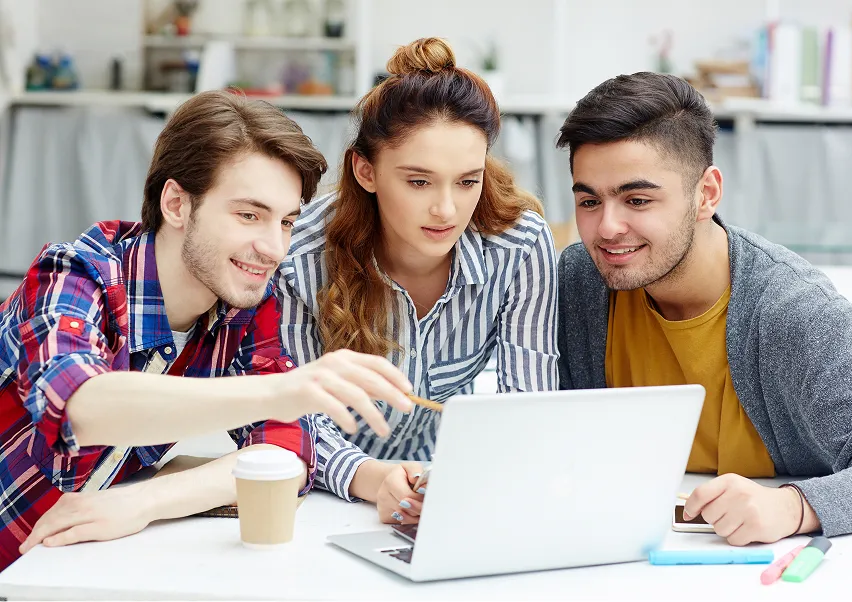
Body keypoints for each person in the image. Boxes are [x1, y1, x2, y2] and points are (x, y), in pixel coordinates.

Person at [0, 91, 414, 570]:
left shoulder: (241, 302)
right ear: (176, 204)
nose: (274, 248)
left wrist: (143, 503)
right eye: (249, 215)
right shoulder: (74, 275)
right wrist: (283, 389)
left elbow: (287, 451)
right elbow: (82, 406)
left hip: (57, 569)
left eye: (286, 222)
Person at [555, 72, 852, 544]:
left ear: (706, 193)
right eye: (589, 200)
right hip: (623, 556)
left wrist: (793, 506)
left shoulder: (795, 313)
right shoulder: (580, 281)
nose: (607, 228)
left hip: (772, 567)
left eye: (638, 199)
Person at [279, 38, 559, 525]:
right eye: (418, 181)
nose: (446, 210)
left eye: (467, 181)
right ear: (365, 171)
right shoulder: (299, 253)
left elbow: (528, 408)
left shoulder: (519, 243)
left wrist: (460, 480)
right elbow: (290, 420)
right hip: (322, 500)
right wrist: (374, 478)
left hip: (447, 494)